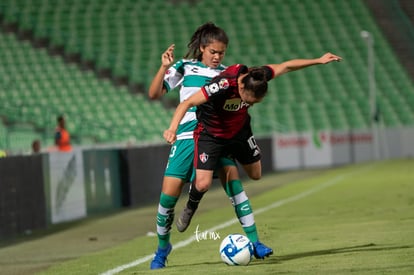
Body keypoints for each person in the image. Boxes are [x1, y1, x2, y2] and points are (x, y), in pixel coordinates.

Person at [163, 53, 342, 244]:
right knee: (203, 184)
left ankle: (227, 154)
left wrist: (317, 60)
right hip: (212, 132)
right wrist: (172, 128)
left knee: (256, 174)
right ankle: (191, 205)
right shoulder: (223, 84)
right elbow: (187, 102)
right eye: (247, 100)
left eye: (252, 103)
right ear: (240, 87)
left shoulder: (257, 77)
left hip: (239, 130)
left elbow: (286, 66)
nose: (248, 104)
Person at [148, 22, 272, 269]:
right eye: (213, 52)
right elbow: (155, 94)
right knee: (167, 200)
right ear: (202, 48)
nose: (217, 57)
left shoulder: (229, 76)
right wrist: (163, 68)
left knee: (234, 186)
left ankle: (256, 242)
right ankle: (162, 248)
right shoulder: (185, 66)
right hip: (185, 137)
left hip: (214, 137)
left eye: (221, 53)